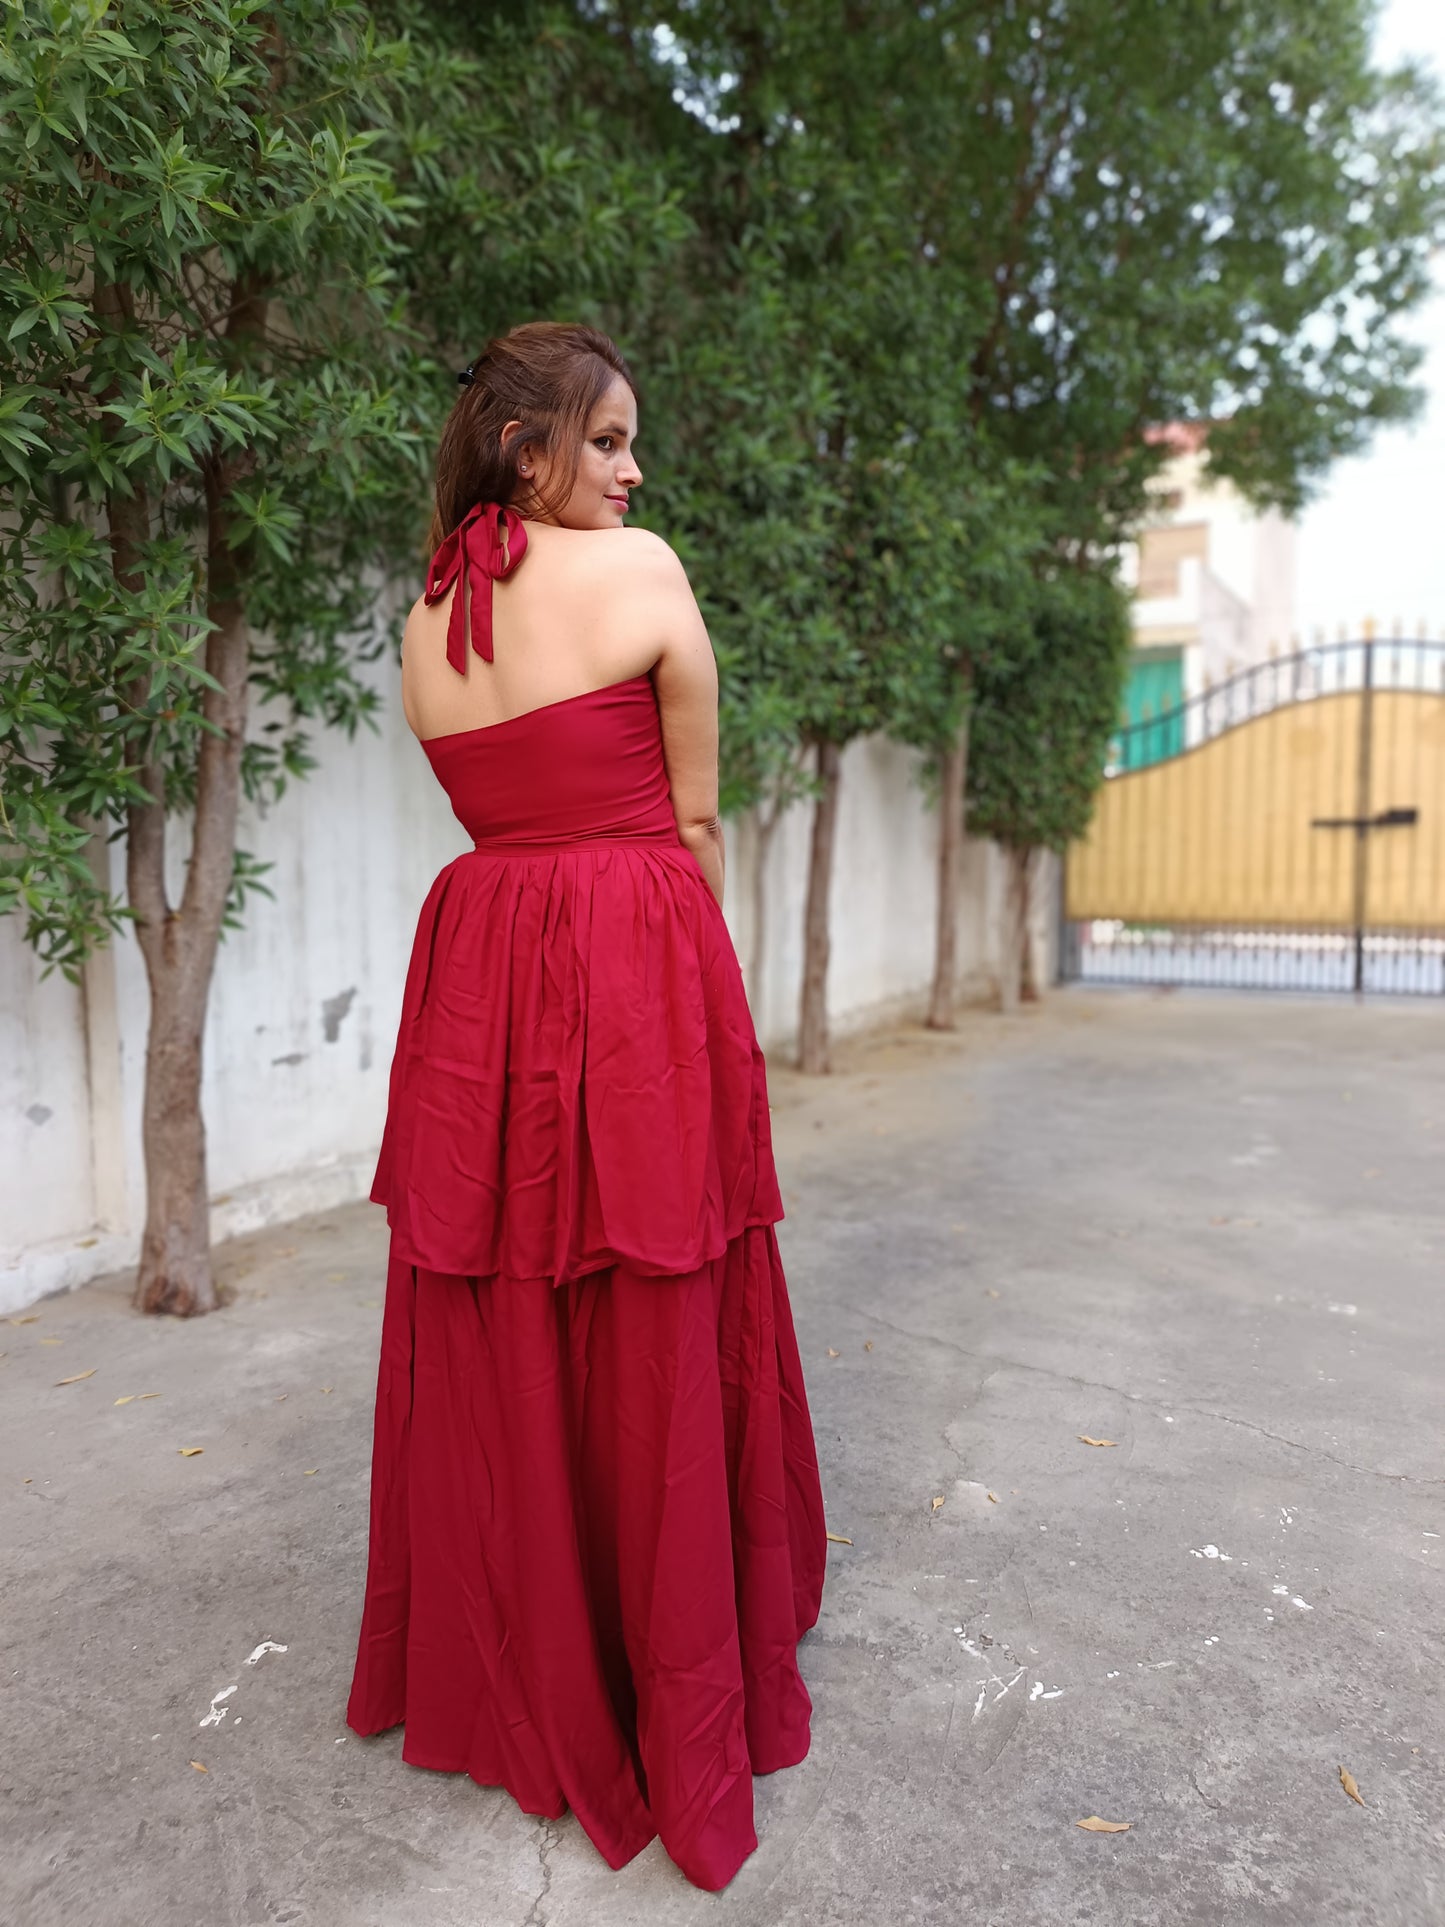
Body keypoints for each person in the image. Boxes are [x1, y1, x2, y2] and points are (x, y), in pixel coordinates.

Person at [345, 321, 827, 1892]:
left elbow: (491, 797)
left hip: (483, 953)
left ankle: (523, 1649)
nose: (633, 469)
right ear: (523, 448)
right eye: (607, 441)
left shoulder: (428, 616)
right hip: (626, 950)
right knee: (652, 1277)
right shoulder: (642, 575)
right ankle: (664, 1658)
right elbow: (688, 807)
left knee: (505, 1292)